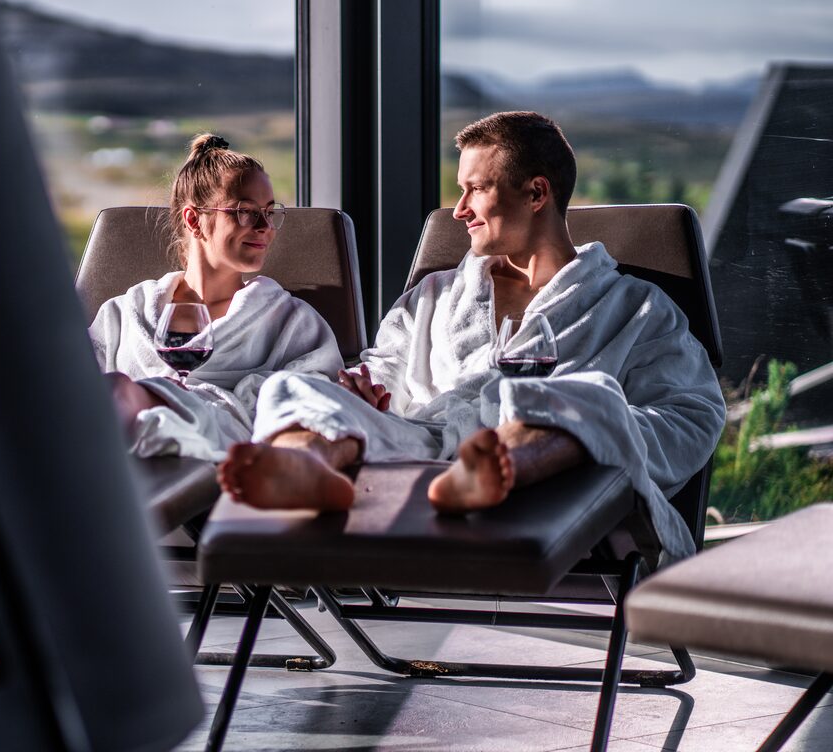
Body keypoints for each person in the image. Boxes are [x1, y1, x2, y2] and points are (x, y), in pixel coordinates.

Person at [218, 111, 725, 560]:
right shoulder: (437, 293)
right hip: (417, 451)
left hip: (554, 483)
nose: (459, 210)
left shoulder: (632, 306)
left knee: (586, 398)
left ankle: (500, 467)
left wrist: (588, 426)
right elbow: (386, 361)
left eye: (475, 189)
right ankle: (305, 464)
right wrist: (363, 387)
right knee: (295, 388)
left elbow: (691, 413)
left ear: (536, 192)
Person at [89, 133, 343, 462]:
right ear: (194, 220)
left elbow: (316, 398)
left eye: (270, 211)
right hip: (119, 455)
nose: (265, 226)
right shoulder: (126, 313)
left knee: (117, 391)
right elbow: (73, 385)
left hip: (221, 448)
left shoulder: (289, 320)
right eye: (245, 211)